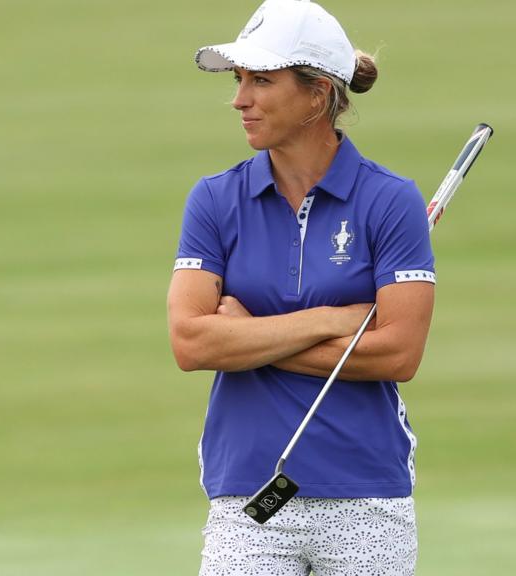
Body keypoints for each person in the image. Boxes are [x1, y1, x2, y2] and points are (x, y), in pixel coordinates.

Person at [167, 1, 435, 574]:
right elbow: (192, 342)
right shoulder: (214, 200)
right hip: (248, 493)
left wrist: (247, 339)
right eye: (240, 81)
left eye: (261, 80)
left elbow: (399, 352)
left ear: (318, 95)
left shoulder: (390, 200)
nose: (240, 99)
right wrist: (331, 320)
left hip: (367, 496)